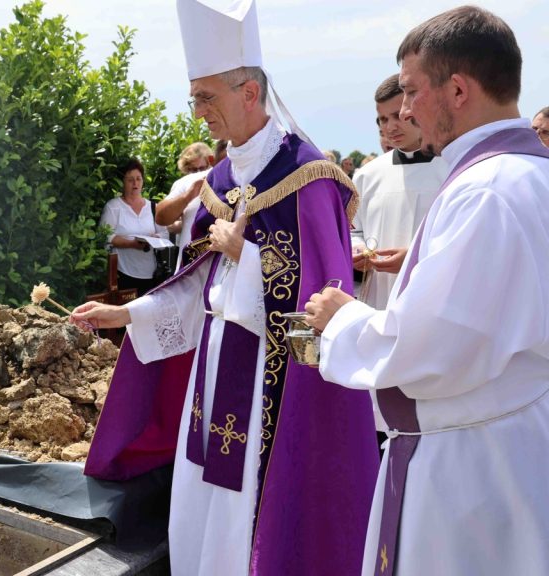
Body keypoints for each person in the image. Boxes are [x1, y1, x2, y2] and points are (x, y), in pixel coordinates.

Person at [72, 1, 378, 574]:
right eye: (195, 98)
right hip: (213, 371)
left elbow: (324, 305)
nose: (198, 113)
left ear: (249, 93)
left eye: (206, 97)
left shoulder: (308, 178)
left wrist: (249, 252)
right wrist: (129, 314)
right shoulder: (217, 181)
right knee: (202, 509)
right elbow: (196, 286)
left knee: (253, 520)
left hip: (276, 382)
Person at [305, 7, 549, 576]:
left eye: (413, 92)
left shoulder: (487, 190)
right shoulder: (531, 176)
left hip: (471, 467)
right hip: (517, 438)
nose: (405, 110)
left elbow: (433, 347)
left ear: (458, 89)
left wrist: (341, 319)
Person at [351, 74, 447, 310]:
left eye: (397, 116)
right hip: (378, 299)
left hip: (433, 298)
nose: (390, 127)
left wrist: (415, 257)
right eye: (382, 119)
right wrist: (359, 251)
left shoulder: (450, 169)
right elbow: (355, 230)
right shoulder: (367, 174)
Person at [98, 158, 168, 296]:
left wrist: (155, 238)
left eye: (138, 179)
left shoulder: (154, 207)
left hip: (151, 274)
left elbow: (165, 234)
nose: (135, 184)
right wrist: (132, 244)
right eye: (130, 180)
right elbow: (105, 236)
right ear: (122, 182)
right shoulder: (114, 207)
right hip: (123, 273)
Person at [154, 142, 213, 274]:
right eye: (193, 170)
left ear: (210, 163)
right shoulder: (183, 185)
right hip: (190, 256)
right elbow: (166, 222)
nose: (198, 173)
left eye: (202, 168)